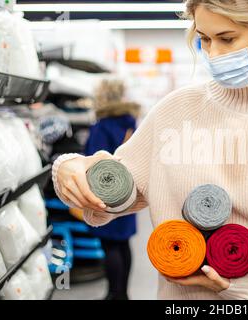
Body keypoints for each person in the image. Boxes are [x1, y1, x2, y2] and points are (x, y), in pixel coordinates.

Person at [52, 0, 248, 300]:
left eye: (227, 39)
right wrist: (70, 168)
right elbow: (111, 194)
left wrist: (247, 289)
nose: (214, 54)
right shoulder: (174, 112)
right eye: (204, 39)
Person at [84, 79, 141, 300]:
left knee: (110, 245)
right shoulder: (130, 123)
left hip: (105, 193)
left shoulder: (103, 126)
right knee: (123, 243)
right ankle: (123, 293)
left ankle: (114, 294)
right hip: (128, 190)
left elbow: (94, 160)